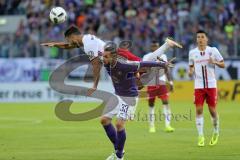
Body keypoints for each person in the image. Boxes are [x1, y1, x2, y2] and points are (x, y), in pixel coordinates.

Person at [101, 42, 173, 160]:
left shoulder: (124, 65)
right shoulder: (106, 63)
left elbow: (143, 63)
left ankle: (119, 156)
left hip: (129, 97)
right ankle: (119, 150)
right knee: (104, 120)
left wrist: (161, 64)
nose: (103, 58)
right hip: (117, 95)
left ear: (113, 56)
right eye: (103, 56)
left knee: (119, 124)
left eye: (106, 56)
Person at [188, 30, 225, 147]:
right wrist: (190, 71)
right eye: (198, 37)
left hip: (211, 85)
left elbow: (223, 64)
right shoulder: (192, 53)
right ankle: (200, 136)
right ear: (196, 39)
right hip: (198, 85)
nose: (200, 39)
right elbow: (191, 66)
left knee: (212, 111)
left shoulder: (213, 50)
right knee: (198, 110)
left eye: (202, 37)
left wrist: (214, 62)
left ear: (206, 39)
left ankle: (216, 132)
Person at [143, 41, 174, 133]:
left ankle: (168, 125)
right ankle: (152, 126)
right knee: (151, 104)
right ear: (151, 47)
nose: (155, 48)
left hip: (162, 82)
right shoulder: (147, 56)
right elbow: (144, 69)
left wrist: (171, 82)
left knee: (165, 102)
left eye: (156, 46)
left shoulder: (163, 56)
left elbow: (166, 69)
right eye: (153, 46)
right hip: (151, 82)